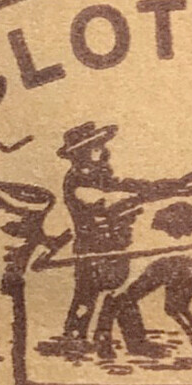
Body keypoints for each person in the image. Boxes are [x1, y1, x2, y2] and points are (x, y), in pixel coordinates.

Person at [56, 120, 166, 352]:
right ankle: (75, 337)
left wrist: (157, 187)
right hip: (93, 248)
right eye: (95, 147)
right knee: (87, 293)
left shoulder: (102, 178)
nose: (102, 150)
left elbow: (122, 186)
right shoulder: (76, 181)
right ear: (81, 154)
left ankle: (136, 342)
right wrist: (140, 196)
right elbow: (106, 201)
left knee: (123, 291)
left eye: (100, 146)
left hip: (116, 245)